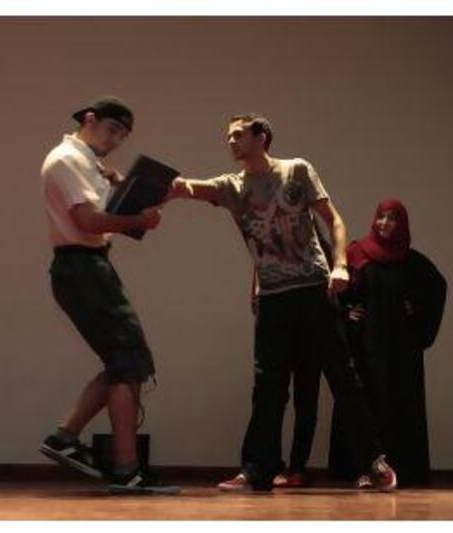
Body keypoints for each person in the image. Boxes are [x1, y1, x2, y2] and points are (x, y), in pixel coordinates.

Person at [169, 113, 397, 492]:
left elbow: (334, 221)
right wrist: (154, 185)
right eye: (227, 136)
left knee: (342, 375)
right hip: (273, 298)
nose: (230, 141)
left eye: (238, 135)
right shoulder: (232, 186)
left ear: (262, 137)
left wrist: (340, 264)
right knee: (268, 385)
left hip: (312, 289)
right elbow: (188, 188)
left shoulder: (297, 171)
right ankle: (257, 468)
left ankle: (373, 461)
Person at [39, 96, 177, 494]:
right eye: (112, 129)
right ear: (89, 118)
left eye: (123, 135)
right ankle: (125, 468)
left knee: (124, 361)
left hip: (88, 267)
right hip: (81, 267)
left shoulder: (85, 162)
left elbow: (97, 209)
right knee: (129, 363)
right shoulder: (66, 159)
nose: (116, 140)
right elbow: (87, 220)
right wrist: (139, 219)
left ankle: (66, 438)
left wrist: (125, 188)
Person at [328, 199, 447, 488]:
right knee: (363, 404)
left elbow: (438, 288)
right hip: (364, 347)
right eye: (381, 217)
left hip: (400, 351)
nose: (384, 224)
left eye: (392, 219)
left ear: (402, 224)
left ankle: (399, 469)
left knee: (397, 406)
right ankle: (362, 470)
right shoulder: (355, 254)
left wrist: (415, 315)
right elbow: (333, 291)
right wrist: (347, 314)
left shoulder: (412, 261)